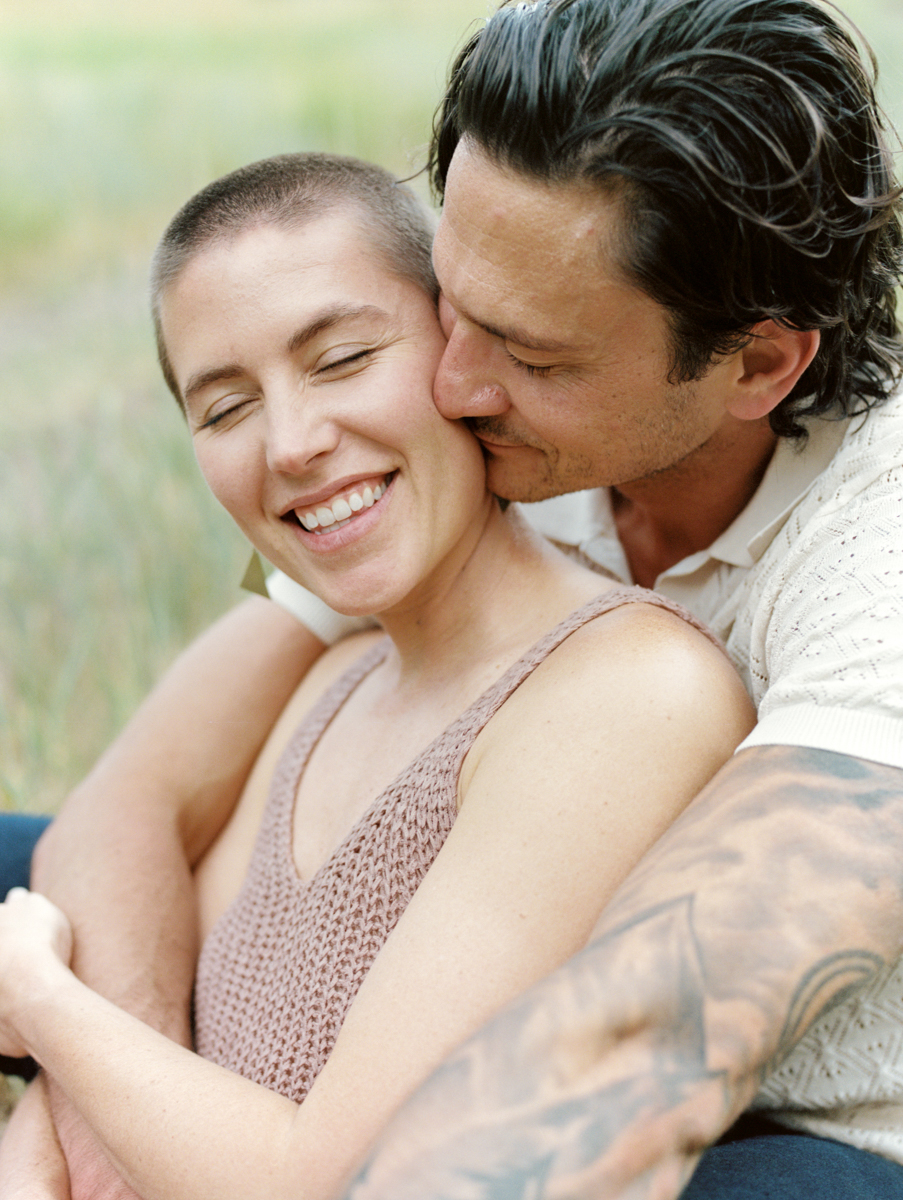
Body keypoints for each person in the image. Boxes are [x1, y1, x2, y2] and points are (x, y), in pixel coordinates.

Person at [2, 0, 902, 1194]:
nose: (454, 382)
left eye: (533, 356)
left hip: (789, 1124)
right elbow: (136, 795)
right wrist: (103, 1131)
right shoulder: (477, 437)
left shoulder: (872, 564)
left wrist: (69, 1035)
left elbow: (642, 1043)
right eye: (449, 306)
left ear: (757, 364)